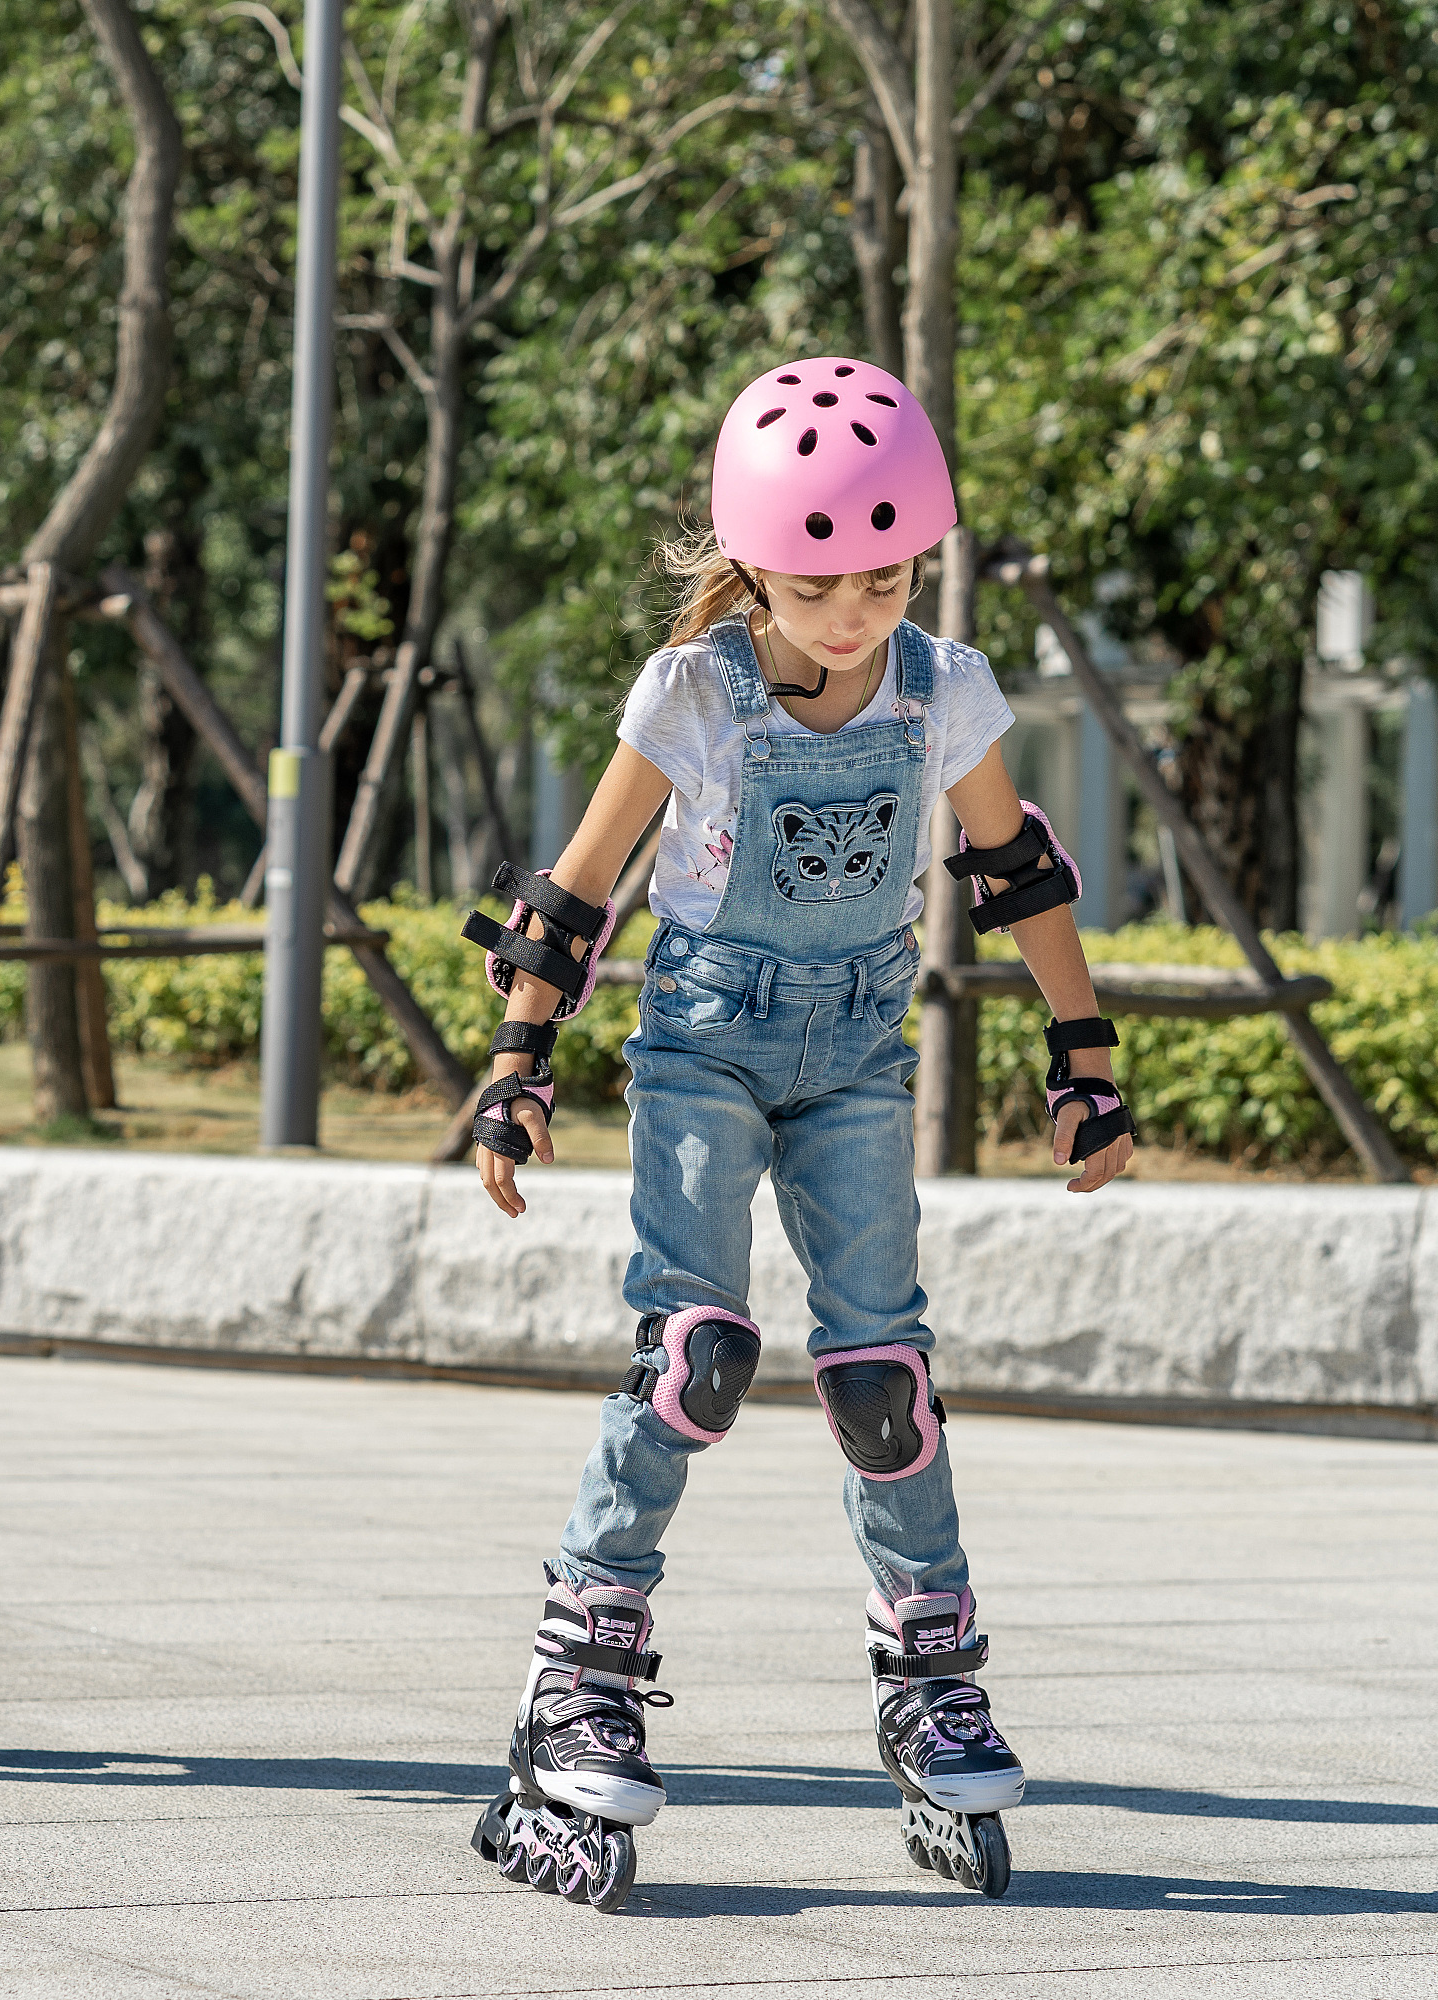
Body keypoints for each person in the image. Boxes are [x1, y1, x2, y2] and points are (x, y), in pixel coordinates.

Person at [459, 357, 1137, 1908]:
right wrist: (516, 1064)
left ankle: (934, 1668)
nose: (856, 610)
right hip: (702, 1041)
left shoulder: (943, 687)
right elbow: (573, 895)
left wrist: (1083, 1056)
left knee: (884, 1376)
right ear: (752, 559)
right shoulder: (691, 694)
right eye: (823, 578)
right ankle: (582, 1661)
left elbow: (1015, 874)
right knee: (694, 1353)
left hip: (858, 1053)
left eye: (888, 574)